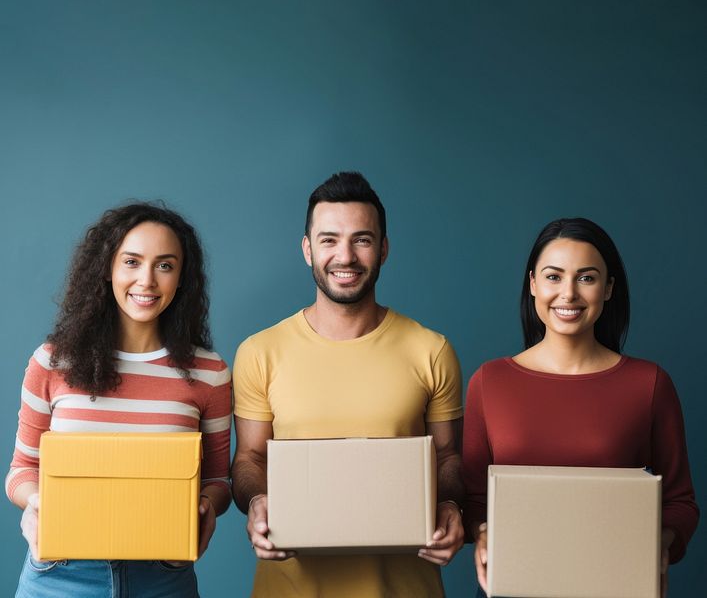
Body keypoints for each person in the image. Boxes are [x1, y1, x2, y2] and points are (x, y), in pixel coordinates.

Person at [232, 171, 465, 598]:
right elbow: (248, 457)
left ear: (383, 249)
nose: (346, 256)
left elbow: (448, 455)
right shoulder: (259, 352)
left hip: (405, 587)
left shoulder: (431, 350)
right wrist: (257, 502)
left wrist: (449, 504)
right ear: (307, 250)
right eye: (328, 240)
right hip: (290, 589)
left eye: (362, 239)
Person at [462, 217, 699, 598]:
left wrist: (659, 545)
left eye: (586, 278)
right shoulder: (489, 382)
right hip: (513, 586)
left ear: (608, 289)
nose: (568, 293)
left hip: (616, 584)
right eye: (554, 277)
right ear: (533, 284)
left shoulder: (649, 384)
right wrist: (483, 534)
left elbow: (679, 502)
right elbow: (473, 498)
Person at [7, 202, 232, 598]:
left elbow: (217, 481)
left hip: (163, 574)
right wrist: (40, 505)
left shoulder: (209, 372)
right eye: (131, 262)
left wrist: (204, 509)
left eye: (164, 265)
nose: (146, 280)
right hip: (61, 573)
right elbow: (22, 470)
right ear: (107, 269)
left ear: (182, 278)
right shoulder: (53, 361)